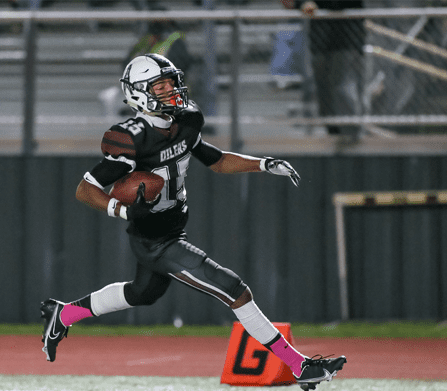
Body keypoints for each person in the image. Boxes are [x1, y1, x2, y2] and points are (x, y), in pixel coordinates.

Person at [41, 53, 346, 390]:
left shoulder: (187, 120)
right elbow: (86, 189)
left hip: (172, 228)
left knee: (143, 292)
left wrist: (263, 164)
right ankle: (299, 366)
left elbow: (215, 160)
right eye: (161, 85)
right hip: (153, 240)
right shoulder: (129, 137)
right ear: (140, 93)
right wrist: (125, 210)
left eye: (172, 81)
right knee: (234, 289)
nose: (172, 89)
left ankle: (63, 314)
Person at [283, 0, 365, 136]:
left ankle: (351, 135)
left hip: (348, 39)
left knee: (343, 87)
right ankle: (333, 131)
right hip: (320, 40)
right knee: (324, 89)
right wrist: (303, 4)